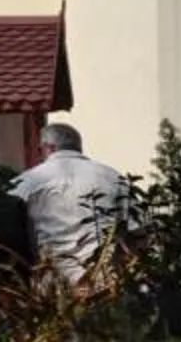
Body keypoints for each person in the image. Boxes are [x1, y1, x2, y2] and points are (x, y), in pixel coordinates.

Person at [10, 120, 131, 287]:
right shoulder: (114, 177)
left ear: (47, 148)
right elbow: (136, 230)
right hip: (108, 280)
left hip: (54, 281)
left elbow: (8, 228)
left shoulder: (28, 181)